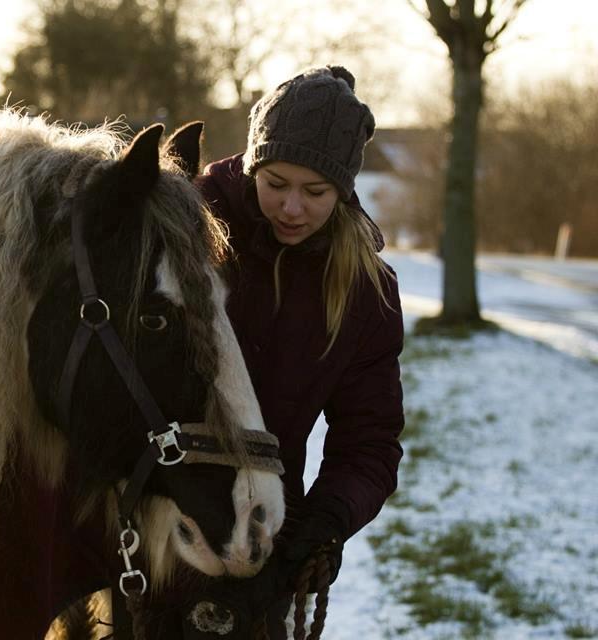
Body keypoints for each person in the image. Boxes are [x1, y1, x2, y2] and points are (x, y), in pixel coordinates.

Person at [183, 65, 405, 637]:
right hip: (158, 519)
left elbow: (370, 440)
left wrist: (323, 523)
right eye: (276, 182)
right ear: (253, 162)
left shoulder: (363, 290)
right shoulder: (184, 231)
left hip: (266, 534)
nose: (292, 209)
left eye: (316, 192)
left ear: (345, 189)